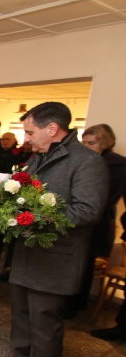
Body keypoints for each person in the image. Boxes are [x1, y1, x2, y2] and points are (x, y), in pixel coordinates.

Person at [0, 102, 108, 357]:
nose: (26, 138)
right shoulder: (37, 159)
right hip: (27, 255)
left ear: (52, 129)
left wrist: (34, 217)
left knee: (45, 326)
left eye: (29, 131)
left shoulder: (87, 162)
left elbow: (88, 210)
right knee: (22, 317)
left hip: (56, 260)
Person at [69, 124, 126, 319]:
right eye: (83, 142)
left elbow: (107, 199)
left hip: (97, 224)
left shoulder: (118, 165)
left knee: (84, 265)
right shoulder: (84, 162)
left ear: (105, 143)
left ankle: (74, 306)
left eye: (91, 143)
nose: (86, 146)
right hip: (76, 219)